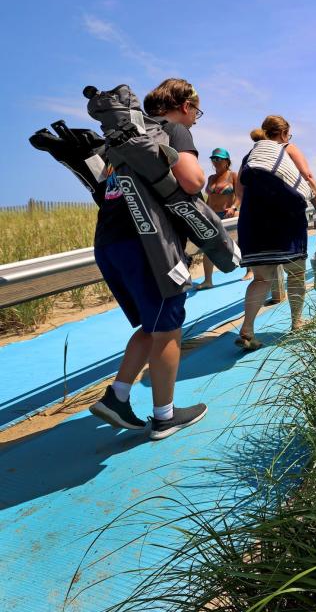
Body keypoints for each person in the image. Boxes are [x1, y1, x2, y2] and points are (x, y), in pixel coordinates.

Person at [88, 78, 208, 440]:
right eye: (196, 112)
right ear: (184, 106)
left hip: (110, 240)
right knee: (169, 327)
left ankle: (117, 397)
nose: (196, 120)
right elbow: (193, 180)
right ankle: (164, 416)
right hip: (148, 244)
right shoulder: (172, 129)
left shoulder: (123, 137)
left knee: (151, 325)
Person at [235, 115, 316, 349]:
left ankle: (247, 329)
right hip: (286, 221)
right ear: (285, 134)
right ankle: (296, 322)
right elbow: (307, 178)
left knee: (262, 278)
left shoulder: (251, 155)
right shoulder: (287, 148)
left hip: (254, 223)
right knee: (295, 273)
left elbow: (240, 193)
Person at [195, 148, 246, 289]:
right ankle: (207, 281)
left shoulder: (233, 175)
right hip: (211, 215)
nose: (215, 161)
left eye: (219, 159)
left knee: (240, 243)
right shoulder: (211, 178)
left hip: (228, 214)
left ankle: (250, 270)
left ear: (227, 161)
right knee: (208, 247)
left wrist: (234, 207)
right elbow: (209, 199)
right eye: (213, 159)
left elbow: (240, 195)